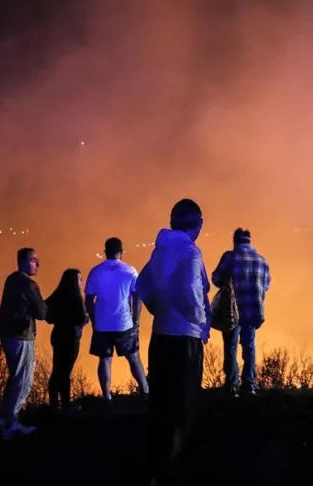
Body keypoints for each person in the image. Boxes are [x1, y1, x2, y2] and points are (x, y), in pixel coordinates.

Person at [137, 199, 211, 486]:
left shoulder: (160, 250)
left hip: (161, 336)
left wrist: (159, 309)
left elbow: (142, 285)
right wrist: (201, 323)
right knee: (182, 405)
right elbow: (192, 290)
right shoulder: (191, 252)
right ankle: (172, 470)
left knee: (160, 403)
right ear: (199, 224)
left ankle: (155, 468)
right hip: (185, 340)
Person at [86, 237, 149, 402]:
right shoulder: (129, 271)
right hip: (124, 323)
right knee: (134, 357)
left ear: (105, 251)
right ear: (122, 252)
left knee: (105, 360)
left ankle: (107, 396)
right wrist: (136, 320)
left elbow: (88, 300)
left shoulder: (95, 272)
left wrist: (94, 321)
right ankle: (145, 391)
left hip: (102, 324)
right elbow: (137, 297)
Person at [212, 228, 271, 397]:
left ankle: (232, 386)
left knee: (231, 346)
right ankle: (250, 384)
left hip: (232, 311)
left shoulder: (230, 257)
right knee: (249, 345)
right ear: (250, 241)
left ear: (235, 241)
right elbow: (266, 284)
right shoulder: (262, 261)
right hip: (253, 310)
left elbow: (216, 279)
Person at [0, 247, 48, 439]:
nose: (38, 264)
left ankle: (5, 418)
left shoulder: (11, 280)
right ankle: (12, 423)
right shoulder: (29, 285)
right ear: (24, 262)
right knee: (23, 380)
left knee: (15, 377)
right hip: (21, 336)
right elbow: (42, 313)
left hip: (8, 335)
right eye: (34, 260)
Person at [46, 268, 89, 413]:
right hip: (70, 336)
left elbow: (46, 311)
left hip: (57, 334)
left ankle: (54, 403)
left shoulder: (58, 295)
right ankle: (65, 404)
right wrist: (85, 320)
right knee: (65, 371)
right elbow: (82, 317)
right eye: (80, 279)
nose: (82, 282)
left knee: (57, 369)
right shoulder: (76, 297)